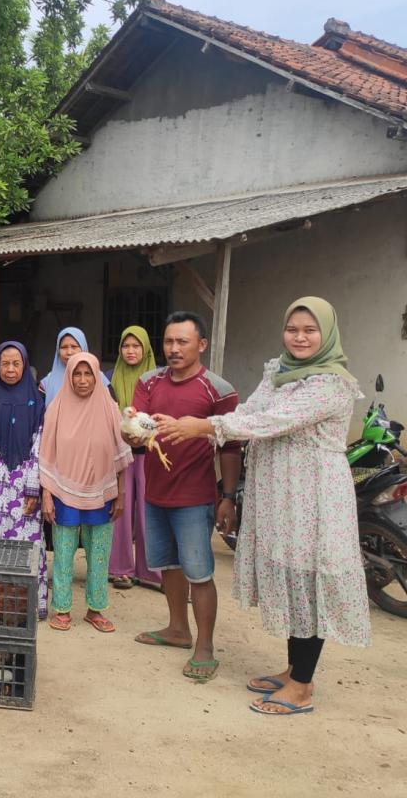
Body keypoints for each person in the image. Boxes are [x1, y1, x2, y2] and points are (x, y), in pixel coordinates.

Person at [155, 297, 371, 714]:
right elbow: (251, 410)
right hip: (279, 495)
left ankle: (303, 686)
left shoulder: (332, 382)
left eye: (310, 330)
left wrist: (207, 425)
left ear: (327, 333)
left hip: (314, 496)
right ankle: (294, 671)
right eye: (293, 329)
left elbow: (271, 422)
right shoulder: (279, 371)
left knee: (308, 583)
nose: (300, 337)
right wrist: (210, 425)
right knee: (291, 579)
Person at [128, 311, 240, 682]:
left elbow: (230, 447)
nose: (173, 349)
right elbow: (139, 429)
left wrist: (227, 496)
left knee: (199, 572)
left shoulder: (219, 390)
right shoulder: (148, 381)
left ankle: (205, 646)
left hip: (195, 497)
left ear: (201, 345)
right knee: (169, 567)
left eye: (183, 342)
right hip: (155, 492)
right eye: (168, 342)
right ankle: (178, 629)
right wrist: (131, 434)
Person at [40, 352, 132, 632]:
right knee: (64, 553)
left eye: (88, 374)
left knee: (99, 553)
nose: (82, 380)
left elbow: (119, 452)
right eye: (76, 374)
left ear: (96, 377)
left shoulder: (109, 408)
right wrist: (46, 494)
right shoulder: (56, 408)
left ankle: (96, 609)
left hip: (102, 490)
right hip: (64, 490)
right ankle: (63, 609)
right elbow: (46, 454)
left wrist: (120, 493)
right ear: (68, 376)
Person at [0, 342, 48, 617]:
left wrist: (32, 487)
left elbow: (40, 446)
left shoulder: (37, 403)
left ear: (25, 365)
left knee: (26, 548)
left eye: (16, 363)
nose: (11, 369)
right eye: (5, 363)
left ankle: (23, 609)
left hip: (23, 487)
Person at [108, 326, 162, 590]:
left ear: (146, 349)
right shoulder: (111, 379)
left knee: (148, 510)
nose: (130, 351)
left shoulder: (159, 380)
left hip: (150, 453)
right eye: (125, 346)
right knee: (121, 510)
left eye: (136, 346)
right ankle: (120, 568)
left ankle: (153, 571)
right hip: (120, 455)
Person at [39, 327, 88, 406]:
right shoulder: (46, 384)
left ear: (83, 348)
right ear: (58, 351)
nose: (69, 352)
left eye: (74, 346)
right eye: (64, 347)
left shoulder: (98, 379)